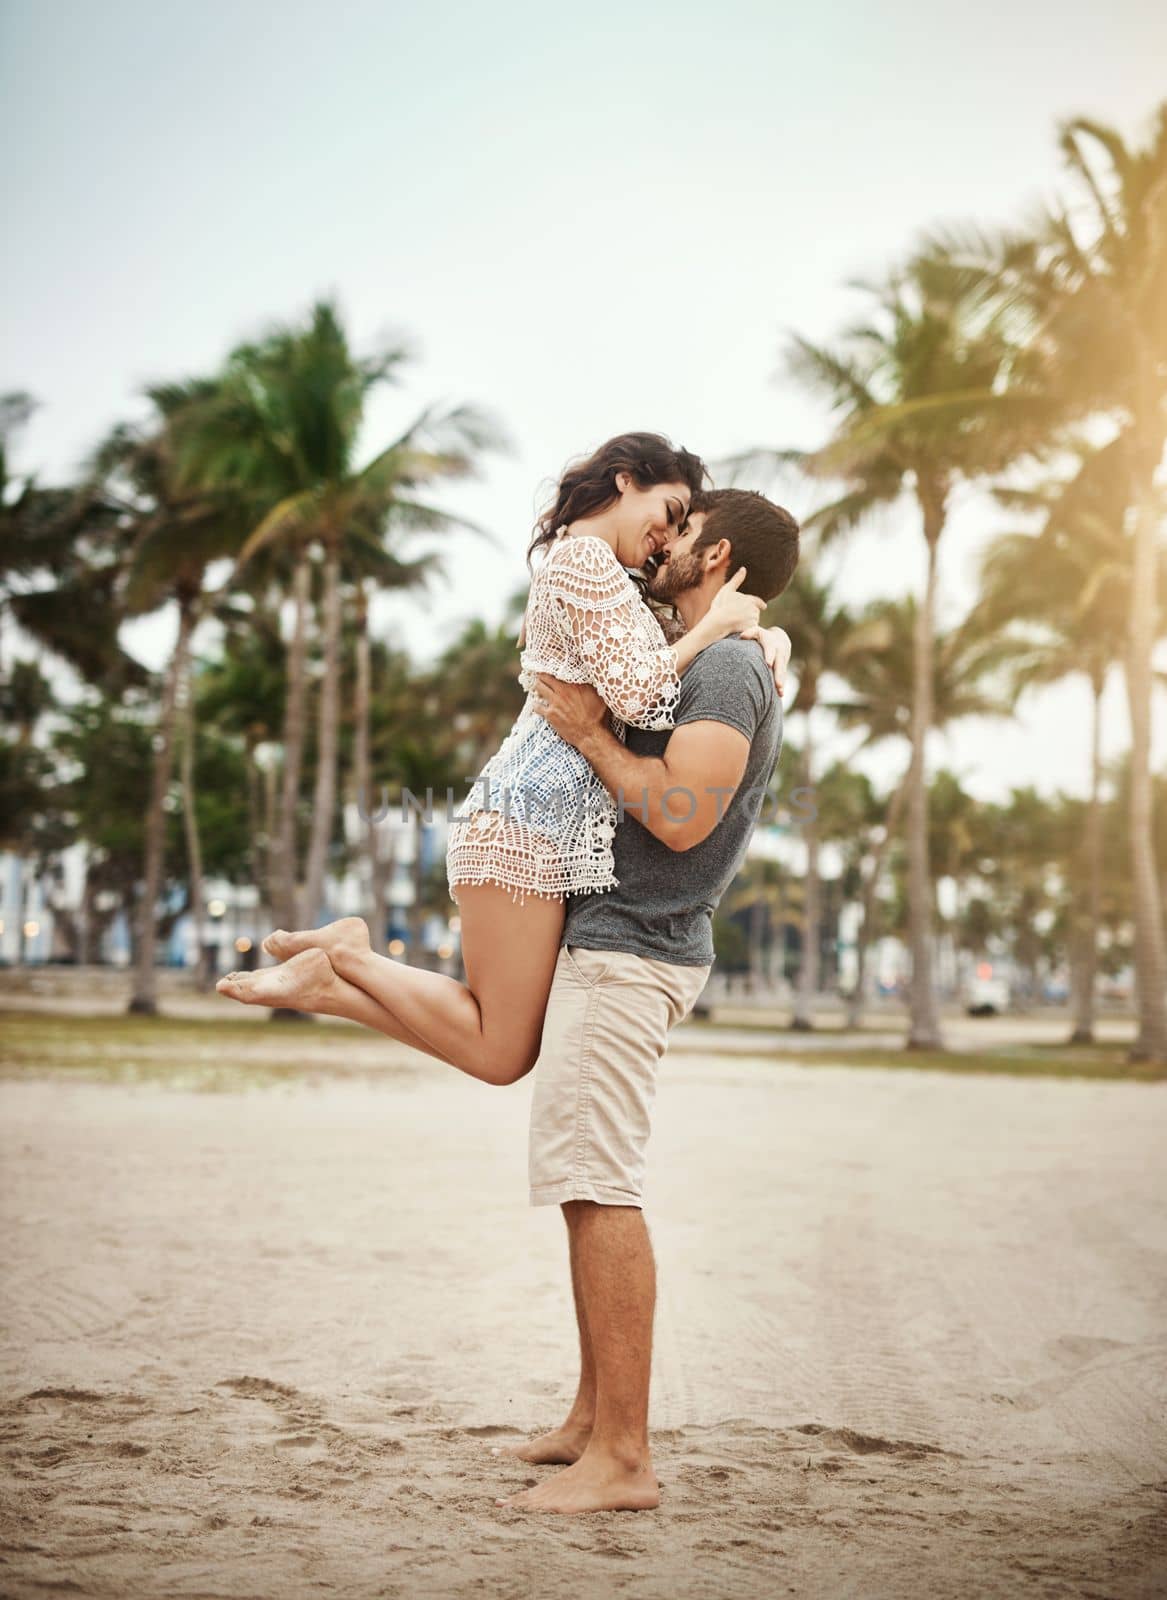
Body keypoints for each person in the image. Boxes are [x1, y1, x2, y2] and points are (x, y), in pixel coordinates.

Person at [216, 436, 789, 1083]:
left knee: (506, 1048)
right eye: (671, 509)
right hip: (524, 820)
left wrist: (764, 632)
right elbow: (639, 691)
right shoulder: (582, 561)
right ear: (627, 480)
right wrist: (714, 630)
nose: (667, 536)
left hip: (543, 822)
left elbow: (672, 655)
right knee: (500, 1051)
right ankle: (352, 963)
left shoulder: (616, 583)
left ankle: (335, 977)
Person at [491, 485, 799, 1513]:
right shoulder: (715, 653)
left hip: (634, 948)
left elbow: (677, 816)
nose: (665, 544)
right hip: (625, 942)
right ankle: (591, 1419)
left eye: (686, 532)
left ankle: (624, 1457)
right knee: (585, 1185)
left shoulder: (723, 665)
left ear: (721, 558)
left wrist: (585, 733)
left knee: (599, 1182)